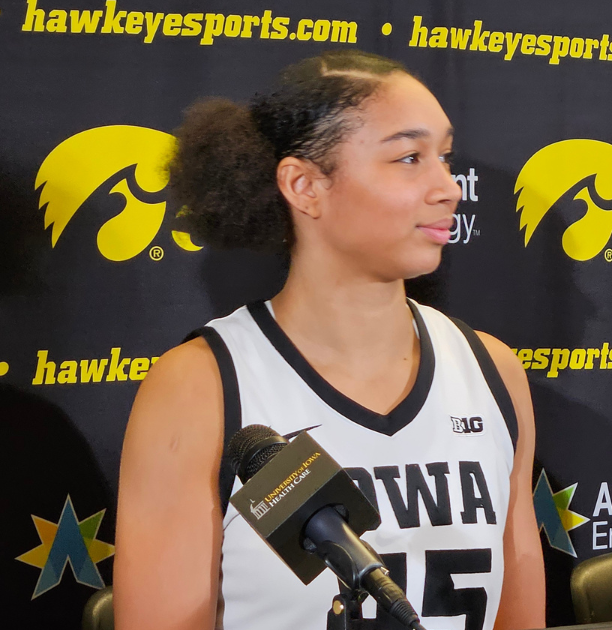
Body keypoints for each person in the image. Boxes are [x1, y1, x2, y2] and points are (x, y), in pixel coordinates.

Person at [114, 50, 544, 630]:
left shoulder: (492, 371)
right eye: (410, 157)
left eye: (443, 156)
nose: (448, 187)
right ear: (304, 185)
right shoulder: (200, 386)